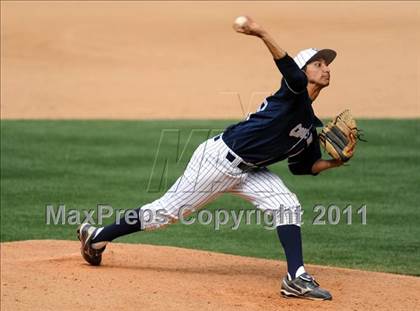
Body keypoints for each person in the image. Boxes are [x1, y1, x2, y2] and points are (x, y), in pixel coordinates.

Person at [78, 16, 349, 301]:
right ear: (303, 71)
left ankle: (296, 278)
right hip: (218, 160)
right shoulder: (292, 94)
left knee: (286, 203)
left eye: (327, 64)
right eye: (318, 64)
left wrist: (336, 162)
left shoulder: (309, 126)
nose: (326, 68)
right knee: (164, 214)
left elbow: (304, 166)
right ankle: (96, 237)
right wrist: (261, 32)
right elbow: (290, 72)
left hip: (252, 171)